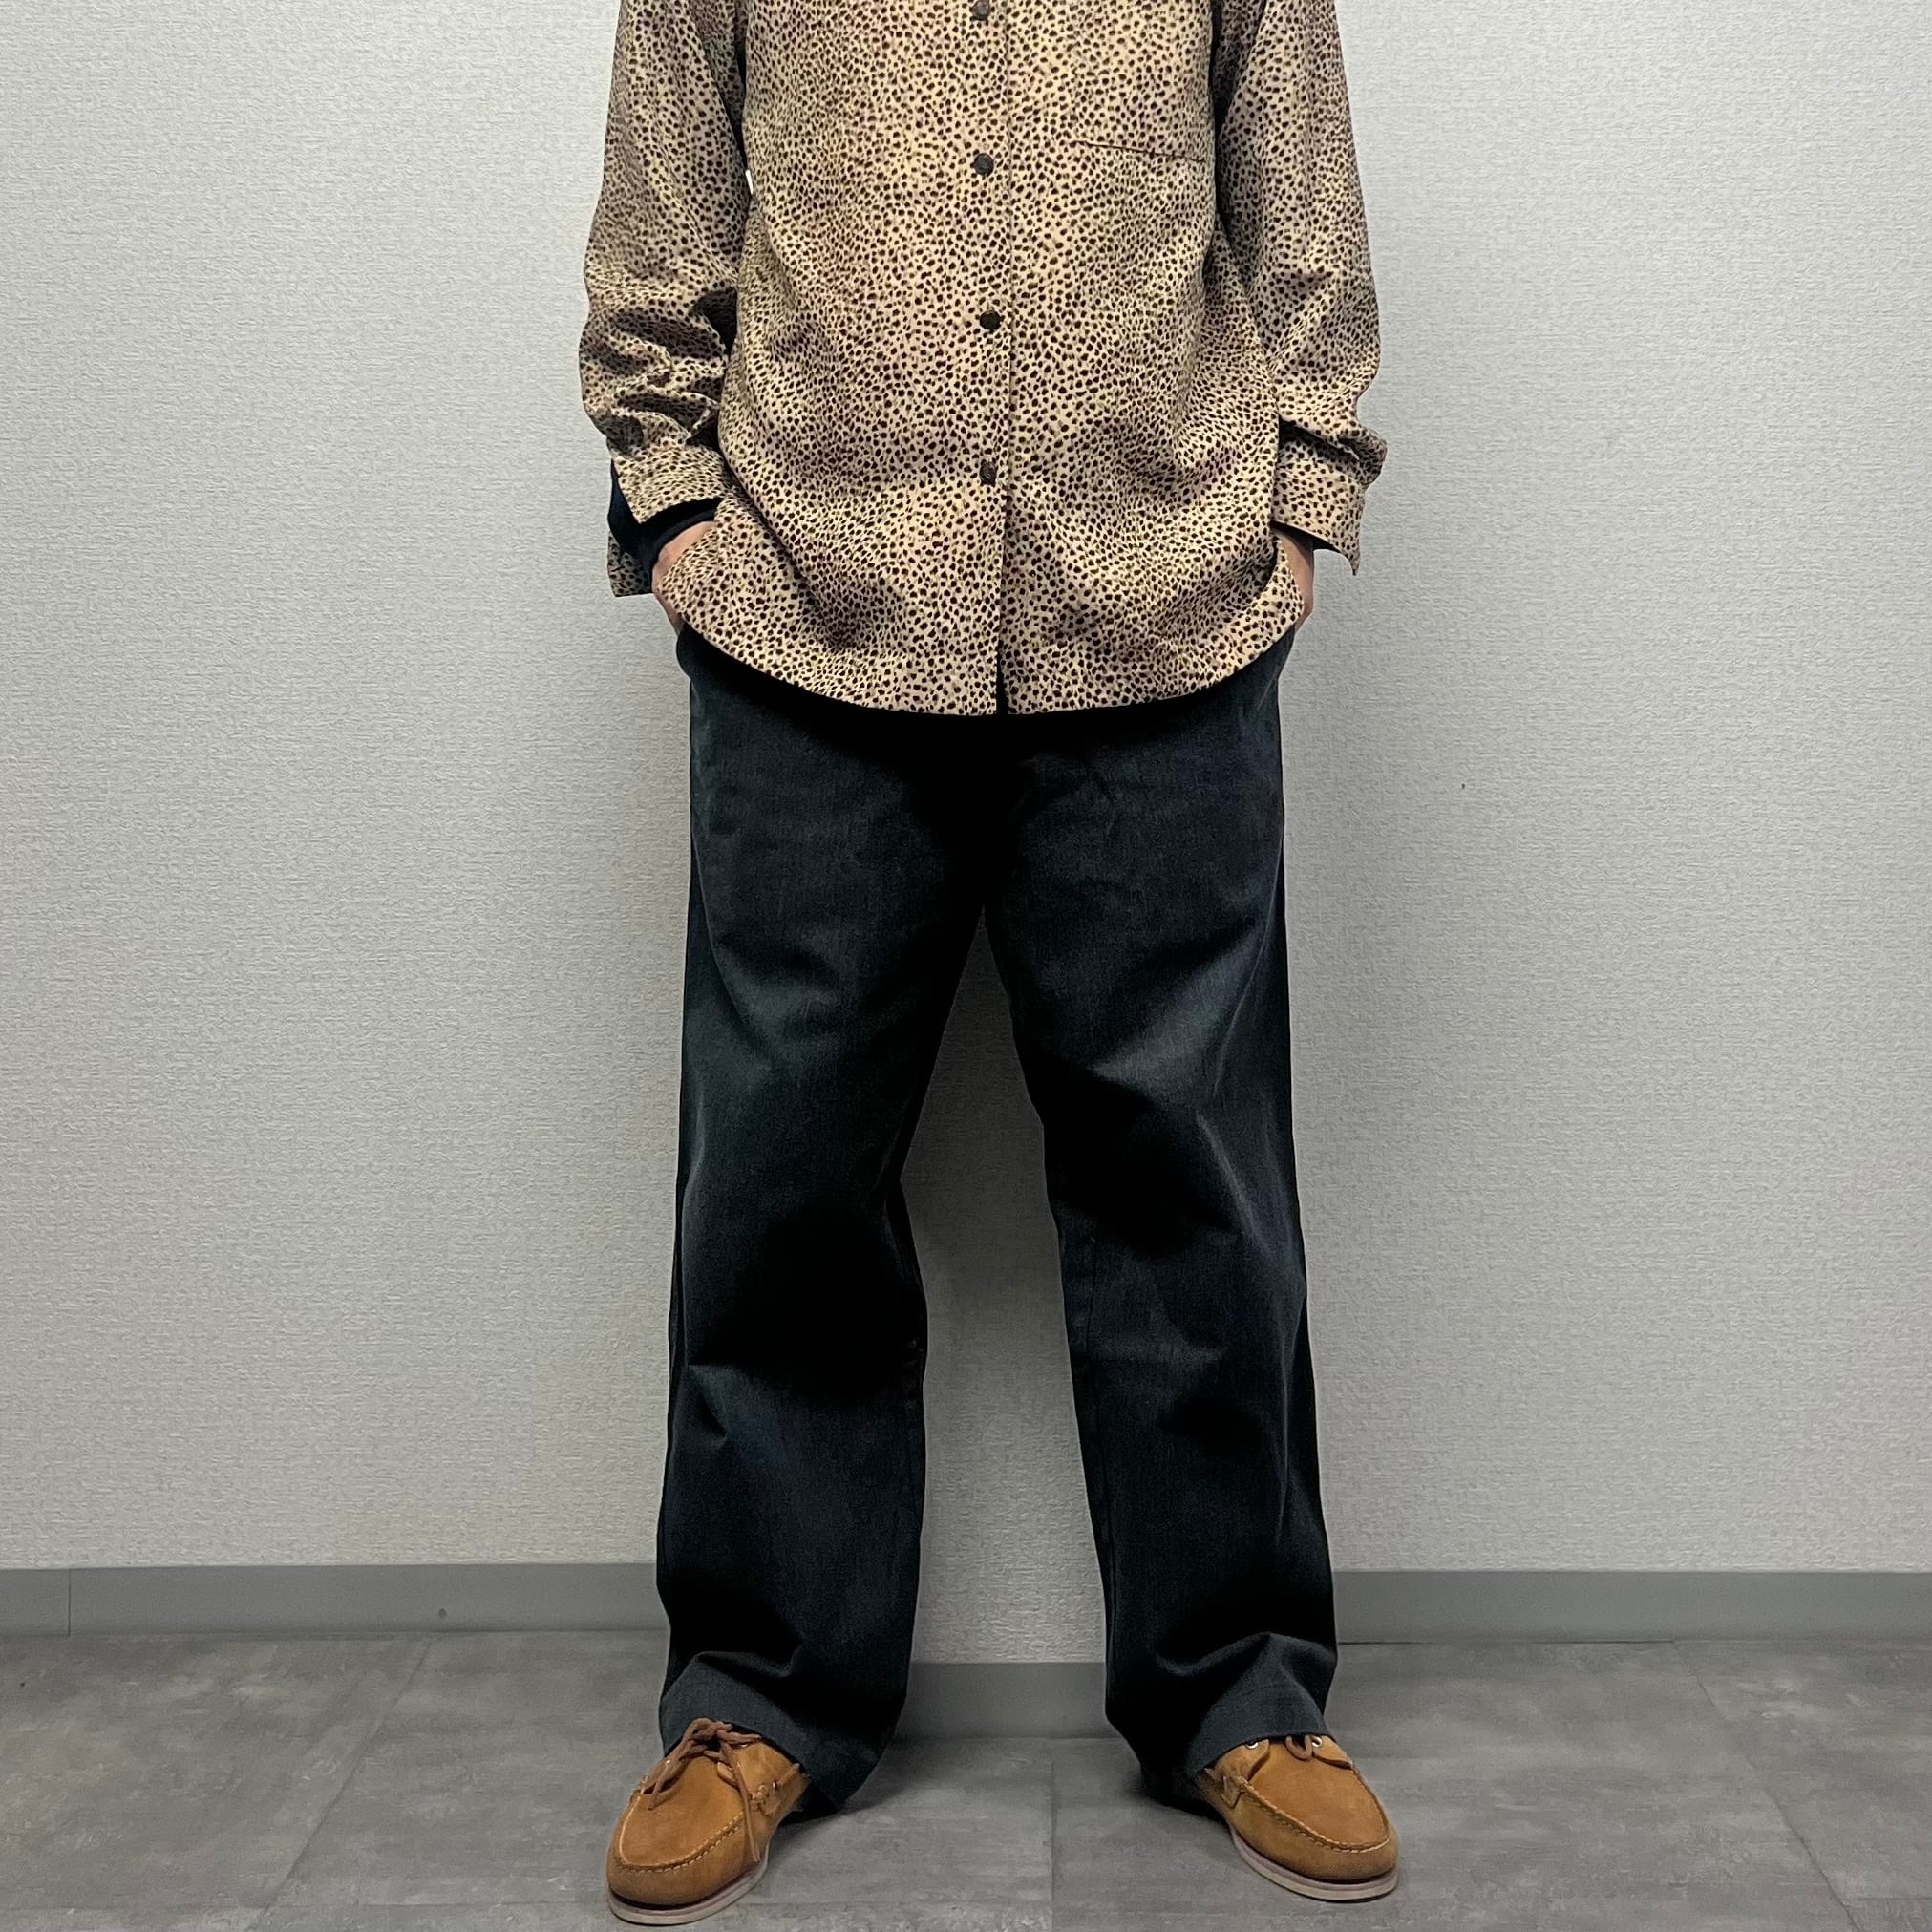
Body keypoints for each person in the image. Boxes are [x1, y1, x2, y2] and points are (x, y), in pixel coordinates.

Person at [577, 0, 1395, 1916]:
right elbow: (659, 211)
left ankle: (1237, 1691)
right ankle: (757, 1698)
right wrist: (675, 510)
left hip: (1161, 616)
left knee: (1190, 1180)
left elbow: (1301, 207)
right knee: (779, 1180)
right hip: (805, 616)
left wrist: (1298, 509)